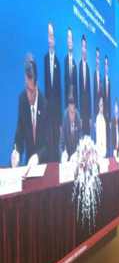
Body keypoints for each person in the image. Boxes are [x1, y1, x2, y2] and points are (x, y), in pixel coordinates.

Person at [12, 54, 49, 167]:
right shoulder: (22, 100)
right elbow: (19, 133)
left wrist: (38, 156)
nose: (28, 95)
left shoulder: (44, 104)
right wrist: (16, 151)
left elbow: (48, 143)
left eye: (31, 90)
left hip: (43, 162)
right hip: (28, 163)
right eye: (26, 89)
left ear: (36, 85)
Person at [44, 22, 62, 163]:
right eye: (49, 36)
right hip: (47, 110)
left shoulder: (58, 62)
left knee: (56, 140)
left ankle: (56, 164)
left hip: (56, 110)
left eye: (52, 36)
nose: (50, 39)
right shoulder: (45, 59)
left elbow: (59, 92)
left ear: (54, 39)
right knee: (48, 140)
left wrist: (60, 117)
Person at [59, 94, 82, 160]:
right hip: (67, 152)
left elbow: (80, 135)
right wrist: (62, 154)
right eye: (71, 113)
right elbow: (61, 142)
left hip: (76, 152)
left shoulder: (77, 116)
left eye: (73, 112)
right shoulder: (65, 118)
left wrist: (79, 150)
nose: (72, 115)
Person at [79, 34, 92, 136]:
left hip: (87, 113)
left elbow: (89, 94)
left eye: (85, 47)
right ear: (81, 48)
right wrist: (79, 116)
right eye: (82, 46)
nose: (84, 49)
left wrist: (90, 116)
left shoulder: (87, 68)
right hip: (80, 113)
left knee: (88, 138)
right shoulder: (77, 66)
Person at [64, 28, 78, 111]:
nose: (69, 41)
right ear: (67, 41)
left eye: (71, 38)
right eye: (68, 38)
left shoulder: (75, 63)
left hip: (74, 103)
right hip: (67, 103)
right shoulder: (64, 61)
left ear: (73, 42)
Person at [93, 47, 103, 122]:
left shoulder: (101, 77)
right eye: (96, 57)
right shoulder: (93, 75)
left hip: (101, 111)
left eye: (98, 57)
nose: (97, 60)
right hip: (96, 111)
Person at [103, 55, 111, 125]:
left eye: (107, 64)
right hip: (103, 113)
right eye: (105, 64)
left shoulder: (109, 80)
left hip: (108, 113)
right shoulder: (101, 81)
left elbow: (109, 99)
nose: (106, 67)